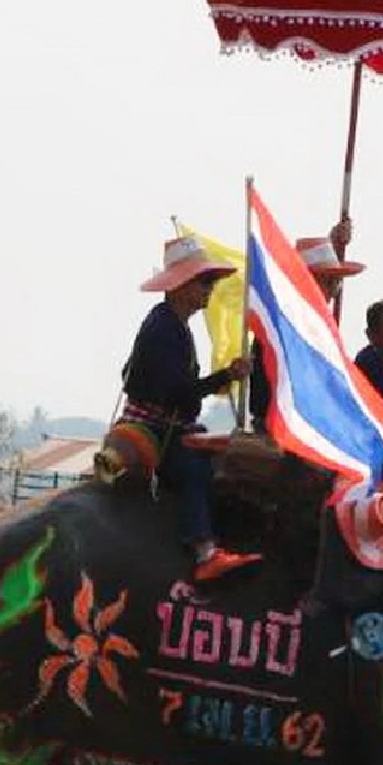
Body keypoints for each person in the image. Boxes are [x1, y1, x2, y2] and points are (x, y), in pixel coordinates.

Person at [102, 234, 260, 585]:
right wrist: (222, 376)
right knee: (195, 470)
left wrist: (219, 379)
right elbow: (177, 392)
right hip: (158, 430)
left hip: (169, 422)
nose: (209, 290)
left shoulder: (173, 326)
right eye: (205, 283)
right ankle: (204, 548)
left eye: (211, 283)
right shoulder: (163, 329)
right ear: (181, 285)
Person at [249, 223, 364, 432]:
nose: (333, 291)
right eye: (329, 282)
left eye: (336, 283)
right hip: (280, 429)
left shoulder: (310, 325)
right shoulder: (284, 323)